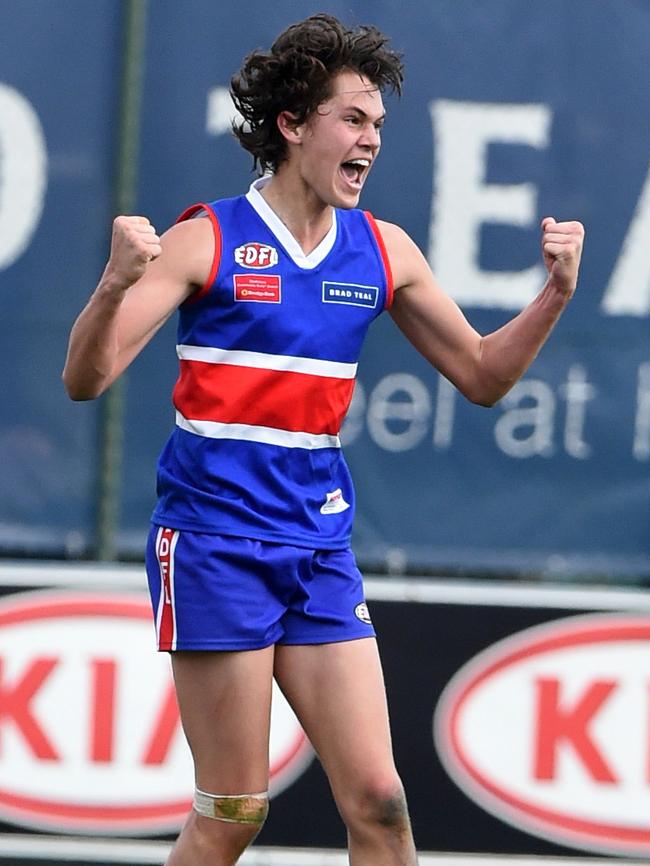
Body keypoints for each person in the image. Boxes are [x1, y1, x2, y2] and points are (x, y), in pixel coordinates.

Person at [62, 13, 584, 866]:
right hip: (214, 544)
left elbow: (485, 377)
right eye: (353, 119)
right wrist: (115, 284)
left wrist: (554, 295)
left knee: (380, 802)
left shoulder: (384, 251)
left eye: (378, 124)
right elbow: (86, 381)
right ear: (292, 126)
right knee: (233, 812)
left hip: (318, 545)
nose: (371, 140)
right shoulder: (208, 238)